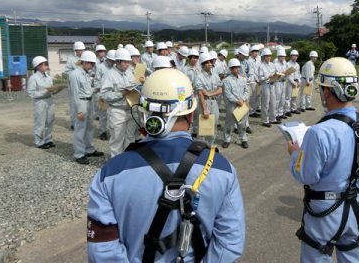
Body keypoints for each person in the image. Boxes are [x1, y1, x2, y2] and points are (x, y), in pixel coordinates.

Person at [87, 68, 246, 262]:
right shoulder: (223, 168)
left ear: (144, 115)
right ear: (191, 113)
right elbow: (230, 243)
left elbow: (102, 251)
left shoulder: (109, 174)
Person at [287, 57, 359, 262]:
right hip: (358, 205)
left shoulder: (319, 132)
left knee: (316, 255)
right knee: (353, 254)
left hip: (325, 210)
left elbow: (306, 175)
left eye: (322, 88)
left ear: (328, 91)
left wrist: (295, 153)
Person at [100, 48, 137, 157]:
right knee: (117, 139)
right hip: (117, 111)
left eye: (128, 62)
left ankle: (126, 162)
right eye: (125, 62)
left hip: (130, 109)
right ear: (117, 62)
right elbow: (105, 94)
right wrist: (122, 93)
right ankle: (115, 165)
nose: (127, 65)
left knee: (130, 138)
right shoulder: (109, 75)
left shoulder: (129, 73)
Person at [69, 51, 104, 164]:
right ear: (83, 62)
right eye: (90, 63)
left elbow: (87, 90)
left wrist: (97, 89)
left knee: (89, 127)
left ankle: (89, 149)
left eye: (93, 64)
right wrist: (79, 110)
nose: (92, 66)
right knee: (80, 129)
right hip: (81, 104)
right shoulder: (75, 74)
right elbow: (74, 94)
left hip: (89, 102)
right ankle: (79, 154)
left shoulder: (86, 73)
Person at [28, 56, 58, 149]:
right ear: (38, 66)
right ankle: (39, 142)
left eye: (46, 64)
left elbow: (51, 89)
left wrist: (56, 90)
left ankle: (48, 139)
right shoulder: (33, 78)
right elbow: (31, 93)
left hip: (49, 100)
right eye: (44, 64)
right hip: (40, 102)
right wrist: (45, 92)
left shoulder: (48, 77)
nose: (46, 66)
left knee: (50, 120)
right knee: (40, 122)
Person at [194, 52, 223, 146]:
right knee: (202, 128)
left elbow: (220, 90)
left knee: (213, 126)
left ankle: (210, 146)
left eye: (211, 62)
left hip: (214, 102)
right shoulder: (198, 76)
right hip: (203, 103)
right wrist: (204, 109)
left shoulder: (215, 75)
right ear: (202, 64)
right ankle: (200, 149)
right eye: (207, 62)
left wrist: (210, 94)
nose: (210, 64)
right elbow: (200, 94)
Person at [222, 58, 250, 149]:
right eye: (235, 67)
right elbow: (228, 94)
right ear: (230, 69)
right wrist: (237, 100)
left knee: (242, 123)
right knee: (229, 123)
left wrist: (242, 99)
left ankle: (243, 139)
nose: (237, 69)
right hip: (232, 105)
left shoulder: (243, 79)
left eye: (238, 67)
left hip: (242, 104)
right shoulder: (227, 80)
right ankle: (227, 139)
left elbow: (247, 91)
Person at [94, 49, 116, 141]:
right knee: (103, 115)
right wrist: (101, 92)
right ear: (107, 59)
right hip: (102, 94)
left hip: (112, 94)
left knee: (113, 114)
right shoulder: (100, 67)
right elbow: (96, 81)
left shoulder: (115, 67)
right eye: (111, 60)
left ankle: (113, 132)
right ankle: (102, 132)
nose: (113, 62)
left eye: (114, 61)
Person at [65, 41, 85, 129]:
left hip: (84, 84)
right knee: (74, 104)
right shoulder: (71, 59)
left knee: (84, 103)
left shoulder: (86, 58)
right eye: (78, 50)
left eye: (81, 50)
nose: (80, 52)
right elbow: (67, 71)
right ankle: (73, 123)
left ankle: (83, 121)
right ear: (75, 50)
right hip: (74, 84)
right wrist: (76, 72)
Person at [258, 48, 278, 127]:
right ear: (263, 57)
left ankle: (273, 118)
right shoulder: (261, 66)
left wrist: (277, 76)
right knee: (265, 103)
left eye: (269, 56)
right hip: (265, 85)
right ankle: (265, 120)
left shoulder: (272, 64)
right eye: (266, 56)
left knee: (273, 102)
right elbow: (260, 78)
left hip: (272, 84)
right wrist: (268, 76)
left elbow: (275, 74)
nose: (268, 57)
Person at [285, 50, 301, 116]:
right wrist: (292, 82)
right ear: (291, 56)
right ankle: (287, 110)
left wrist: (299, 81)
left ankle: (293, 109)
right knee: (288, 97)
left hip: (296, 81)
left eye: (296, 55)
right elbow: (287, 74)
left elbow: (299, 73)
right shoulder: (287, 64)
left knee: (294, 96)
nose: (295, 57)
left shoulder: (297, 64)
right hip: (289, 82)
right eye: (294, 55)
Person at [274, 47, 288, 120]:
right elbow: (275, 74)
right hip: (277, 83)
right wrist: (281, 74)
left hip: (283, 82)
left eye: (284, 56)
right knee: (277, 99)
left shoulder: (284, 64)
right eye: (281, 56)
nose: (283, 58)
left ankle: (281, 113)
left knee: (282, 98)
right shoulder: (275, 64)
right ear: (278, 56)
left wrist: (286, 73)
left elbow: (286, 72)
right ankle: (275, 114)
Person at [248, 45, 261, 117]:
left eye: (257, 51)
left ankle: (255, 108)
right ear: (251, 53)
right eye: (254, 52)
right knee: (253, 96)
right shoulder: (249, 61)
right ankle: (251, 111)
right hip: (253, 80)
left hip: (259, 80)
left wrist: (260, 79)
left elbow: (260, 69)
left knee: (258, 95)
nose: (256, 53)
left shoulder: (259, 59)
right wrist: (257, 79)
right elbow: (252, 71)